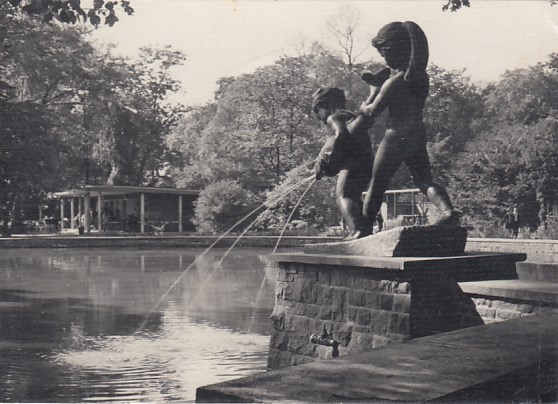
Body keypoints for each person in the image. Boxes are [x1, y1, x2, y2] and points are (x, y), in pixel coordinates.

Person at [358, 21, 458, 229]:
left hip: (395, 135)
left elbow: (372, 112)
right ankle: (448, 211)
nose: (383, 58)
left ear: (394, 50)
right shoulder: (421, 78)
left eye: (384, 53)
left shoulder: (394, 82)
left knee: (377, 184)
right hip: (416, 133)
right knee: (424, 180)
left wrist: (366, 101)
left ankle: (362, 230)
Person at [311, 82, 385, 240]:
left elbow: (341, 135)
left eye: (317, 111)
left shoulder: (335, 116)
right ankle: (364, 229)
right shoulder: (351, 116)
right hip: (367, 162)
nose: (318, 117)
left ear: (325, 105)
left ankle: (358, 230)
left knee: (343, 195)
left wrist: (330, 159)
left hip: (354, 163)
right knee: (353, 195)